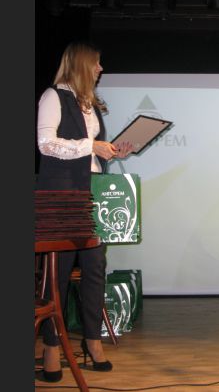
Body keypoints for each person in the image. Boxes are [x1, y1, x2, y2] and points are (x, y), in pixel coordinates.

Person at [36, 41, 133, 382]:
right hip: (62, 196)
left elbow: (89, 154)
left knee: (95, 268)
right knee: (57, 272)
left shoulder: (90, 104)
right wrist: (92, 145)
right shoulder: (53, 96)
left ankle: (92, 341)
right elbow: (46, 144)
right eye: (96, 63)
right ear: (80, 64)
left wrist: (111, 152)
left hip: (93, 194)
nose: (100, 69)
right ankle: (51, 346)